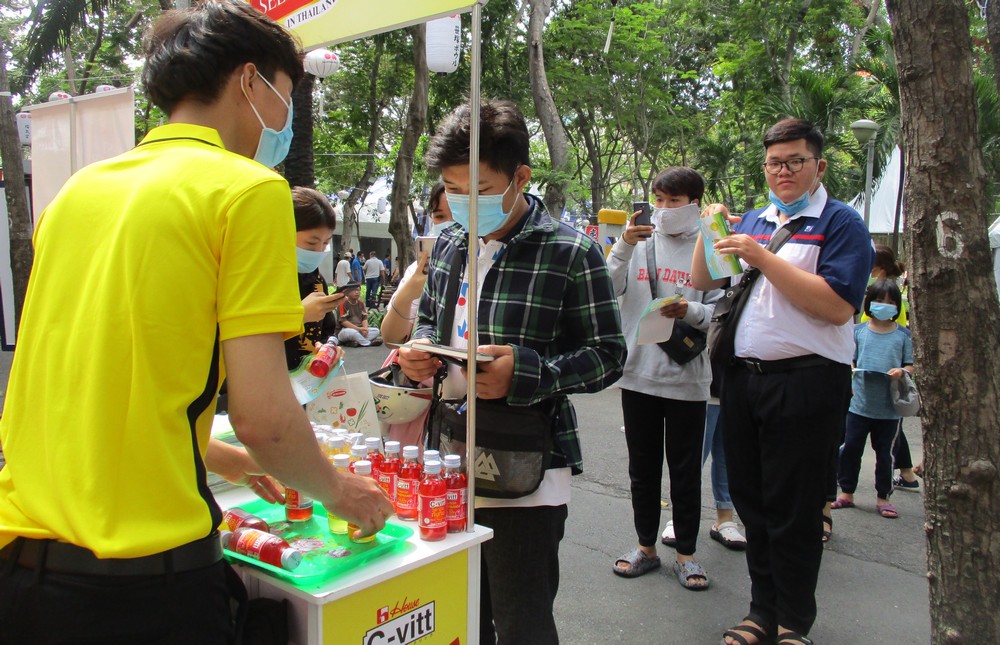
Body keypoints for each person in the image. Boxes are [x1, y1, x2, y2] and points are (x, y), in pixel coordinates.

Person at [0, 4, 393, 642]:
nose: (286, 119)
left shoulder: (75, 193)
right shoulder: (246, 191)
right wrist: (341, 494)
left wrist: (227, 462)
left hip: (23, 573)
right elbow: (267, 419)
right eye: (286, 95)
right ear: (249, 81)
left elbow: (89, 392)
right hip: (144, 592)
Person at [396, 99, 626, 645]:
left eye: (477, 189)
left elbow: (607, 355)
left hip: (525, 468)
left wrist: (527, 374)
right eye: (452, 189)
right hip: (448, 454)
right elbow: (429, 318)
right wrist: (419, 350)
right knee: (458, 608)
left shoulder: (571, 252)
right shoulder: (451, 243)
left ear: (520, 177)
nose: (462, 203)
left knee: (521, 617)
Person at [692, 118, 873, 645]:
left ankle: (794, 622)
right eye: (774, 162)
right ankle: (760, 612)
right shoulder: (757, 217)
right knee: (752, 502)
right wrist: (714, 232)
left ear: (818, 165)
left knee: (794, 507)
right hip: (745, 382)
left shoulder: (841, 223)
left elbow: (837, 307)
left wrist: (761, 255)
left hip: (807, 381)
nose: (783, 171)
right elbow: (707, 279)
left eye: (795, 161)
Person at [606, 167, 720, 590]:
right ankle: (645, 548)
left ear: (694, 202)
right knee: (643, 468)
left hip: (687, 378)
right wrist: (620, 246)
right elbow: (606, 288)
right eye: (658, 199)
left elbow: (722, 312)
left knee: (686, 470)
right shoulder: (636, 243)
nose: (664, 209)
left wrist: (688, 311)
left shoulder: (710, 247)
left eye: (674, 201)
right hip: (637, 375)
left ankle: (687, 554)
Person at [832, 279, 914, 519]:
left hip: (890, 409)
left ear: (897, 306)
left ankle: (883, 497)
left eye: (890, 302)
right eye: (879, 301)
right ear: (869, 303)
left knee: (886, 453)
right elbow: (849, 357)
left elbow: (910, 364)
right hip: (859, 405)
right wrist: (852, 372)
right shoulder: (858, 331)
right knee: (850, 449)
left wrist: (902, 372)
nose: (884, 306)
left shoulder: (903, 335)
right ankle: (846, 492)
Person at [381, 180, 455, 345]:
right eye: (440, 216)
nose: (449, 224)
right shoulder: (417, 271)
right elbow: (391, 340)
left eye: (457, 215)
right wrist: (408, 294)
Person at [286, 186, 345, 370]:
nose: (319, 251)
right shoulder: (264, 278)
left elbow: (328, 329)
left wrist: (328, 347)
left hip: (309, 383)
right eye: (311, 243)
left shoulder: (317, 281)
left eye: (326, 243)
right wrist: (299, 316)